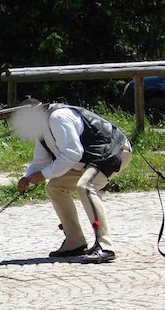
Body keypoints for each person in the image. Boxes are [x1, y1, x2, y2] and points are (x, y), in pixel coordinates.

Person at [12, 99, 132, 263]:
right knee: (54, 187)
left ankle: (105, 246)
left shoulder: (58, 117)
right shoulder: (42, 129)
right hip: (89, 159)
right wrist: (28, 178)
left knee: (86, 186)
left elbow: (73, 153)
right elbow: (40, 162)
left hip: (114, 150)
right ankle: (75, 241)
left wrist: (44, 174)